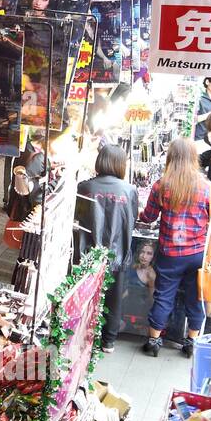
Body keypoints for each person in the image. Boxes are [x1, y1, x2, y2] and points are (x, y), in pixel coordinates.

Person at [139, 137, 211, 358]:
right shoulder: (209, 189)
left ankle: (154, 340)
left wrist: (140, 214)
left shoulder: (162, 186)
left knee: (164, 296)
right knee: (195, 298)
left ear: (170, 158)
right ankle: (191, 341)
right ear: (194, 158)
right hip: (198, 254)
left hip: (170, 254)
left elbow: (149, 216)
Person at [74, 143, 137, 352]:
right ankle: (108, 341)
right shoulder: (129, 190)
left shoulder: (84, 187)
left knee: (85, 294)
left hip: (87, 251)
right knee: (113, 296)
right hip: (117, 253)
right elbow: (132, 220)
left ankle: (82, 336)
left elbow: (78, 218)